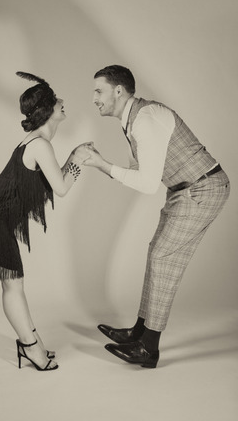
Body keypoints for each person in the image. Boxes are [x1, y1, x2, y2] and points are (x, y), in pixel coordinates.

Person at [83, 64, 230, 368]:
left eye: (99, 91)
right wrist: (104, 164)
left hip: (202, 187)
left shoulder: (144, 120)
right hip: (184, 189)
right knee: (156, 252)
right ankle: (138, 332)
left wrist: (101, 165)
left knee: (164, 256)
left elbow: (148, 185)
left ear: (118, 90)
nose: (94, 98)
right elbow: (139, 173)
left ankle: (149, 348)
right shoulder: (133, 119)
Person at [0, 72, 91, 371]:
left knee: (13, 285)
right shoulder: (39, 145)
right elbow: (61, 186)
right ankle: (31, 348)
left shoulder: (35, 142)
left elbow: (54, 177)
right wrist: (78, 157)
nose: (63, 102)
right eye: (56, 99)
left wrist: (74, 156)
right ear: (47, 109)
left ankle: (34, 345)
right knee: (13, 286)